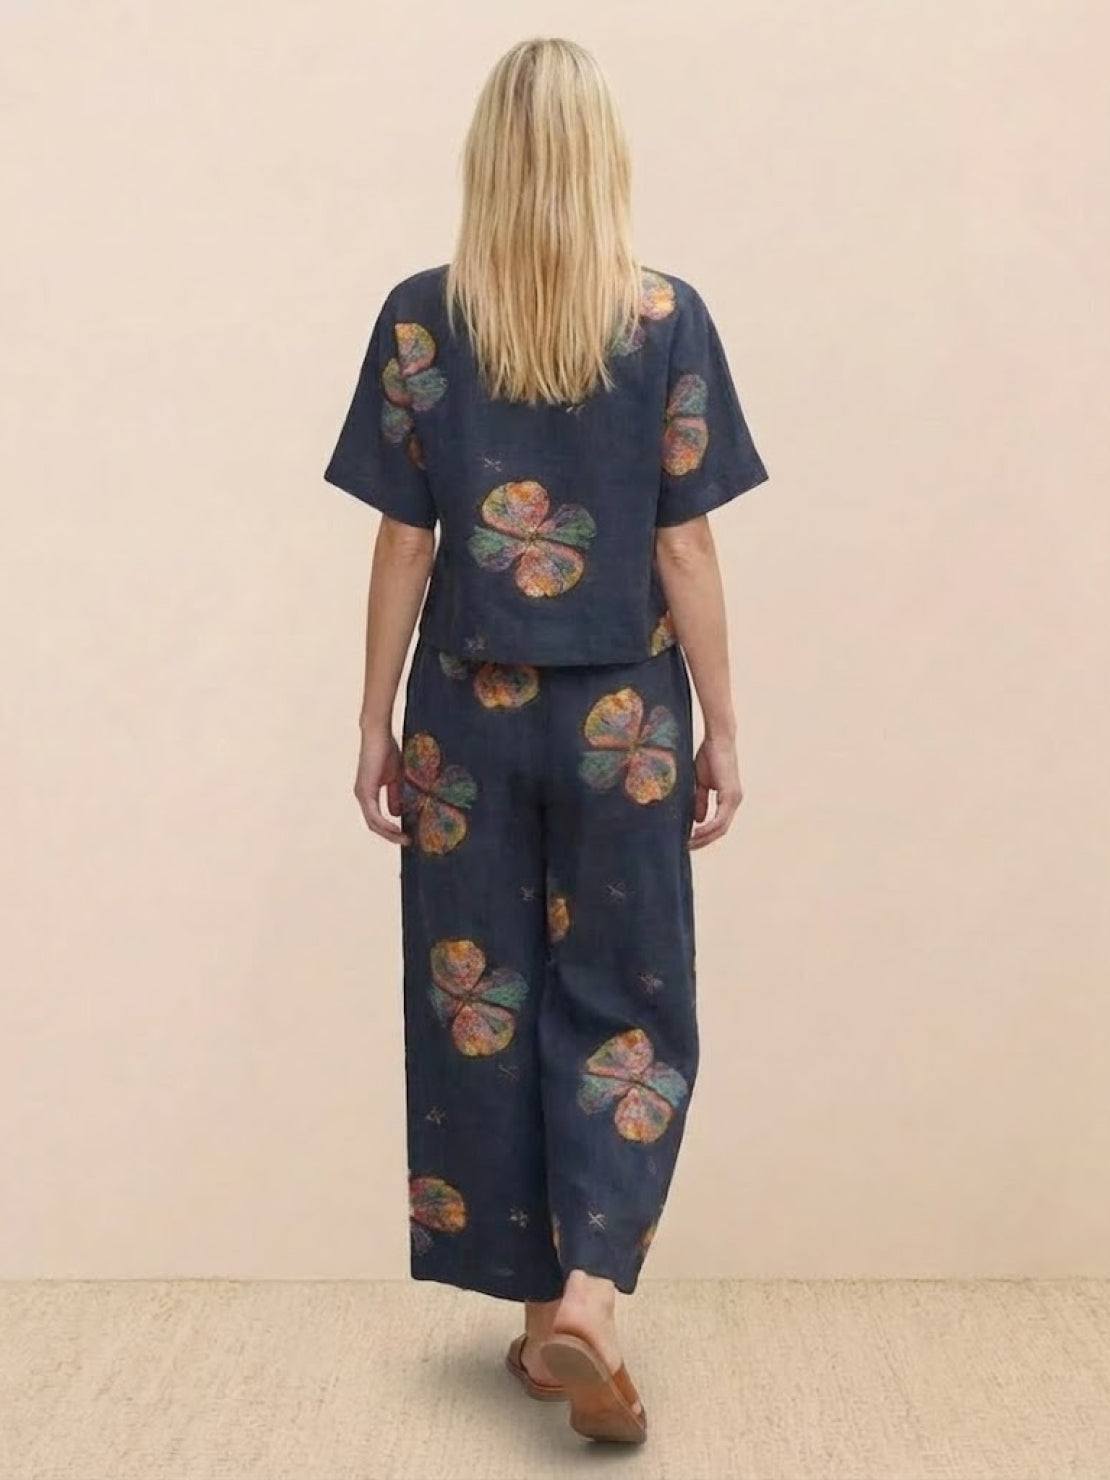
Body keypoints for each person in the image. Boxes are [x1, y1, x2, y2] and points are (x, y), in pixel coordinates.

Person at [323, 35, 768, 1447]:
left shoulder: (421, 317)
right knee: (624, 994)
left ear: (487, 162)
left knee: (484, 998)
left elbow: (406, 539)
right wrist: (723, 726)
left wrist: (374, 717)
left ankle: (537, 1323)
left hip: (464, 715)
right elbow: (682, 543)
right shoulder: (664, 317)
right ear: (601, 161)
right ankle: (582, 1299)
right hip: (624, 723)